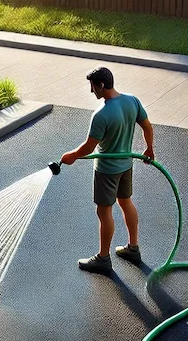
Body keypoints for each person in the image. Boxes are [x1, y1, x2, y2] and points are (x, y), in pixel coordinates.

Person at [60, 67, 154, 275]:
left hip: (107, 170)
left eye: (93, 86)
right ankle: (133, 248)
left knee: (104, 211)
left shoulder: (101, 115)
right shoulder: (132, 101)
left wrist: (72, 156)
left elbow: (89, 148)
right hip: (126, 164)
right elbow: (148, 127)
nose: (92, 91)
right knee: (126, 202)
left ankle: (103, 258)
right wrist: (149, 149)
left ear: (101, 85)